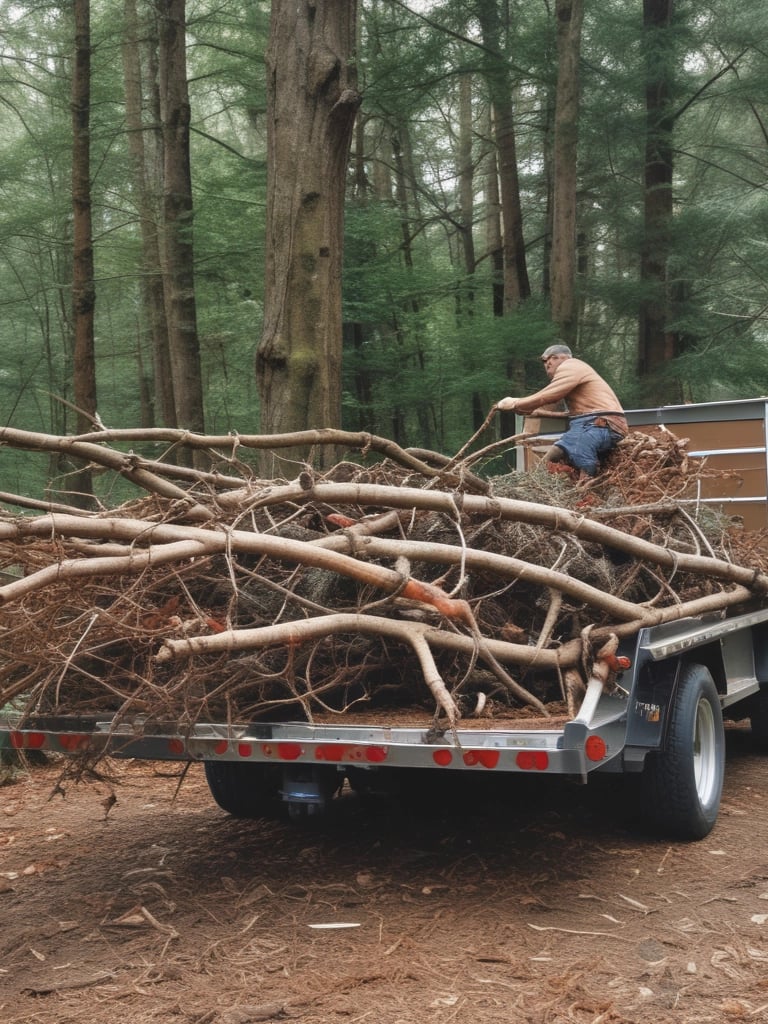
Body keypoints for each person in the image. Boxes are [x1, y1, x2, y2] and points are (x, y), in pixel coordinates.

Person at [496, 344, 628, 477]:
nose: (547, 364)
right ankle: (535, 480)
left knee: (579, 449)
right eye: (544, 361)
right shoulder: (572, 374)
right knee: (556, 452)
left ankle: (585, 491)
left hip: (600, 424)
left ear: (558, 357)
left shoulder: (571, 365)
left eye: (548, 359)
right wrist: (530, 409)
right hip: (584, 425)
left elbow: (549, 396)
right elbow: (555, 405)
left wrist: (516, 403)